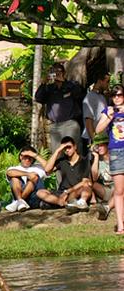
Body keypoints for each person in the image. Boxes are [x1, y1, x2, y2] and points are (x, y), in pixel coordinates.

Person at [32, 136, 93, 211]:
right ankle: (61, 203)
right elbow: (47, 170)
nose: (67, 150)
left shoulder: (84, 161)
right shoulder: (62, 161)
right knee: (40, 192)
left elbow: (84, 182)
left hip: (74, 191)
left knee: (87, 186)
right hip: (61, 192)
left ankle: (72, 203)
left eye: (69, 147)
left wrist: (67, 192)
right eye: (64, 148)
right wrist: (57, 151)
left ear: (75, 147)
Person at [34, 62, 85, 152]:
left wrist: (63, 81)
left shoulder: (71, 85)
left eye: (59, 71)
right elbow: (38, 98)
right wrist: (43, 83)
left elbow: (79, 93)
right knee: (57, 153)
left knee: (73, 151)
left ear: (64, 73)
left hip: (70, 124)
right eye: (54, 71)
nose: (56, 73)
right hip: (55, 126)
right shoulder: (48, 89)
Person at [94, 84, 124, 234]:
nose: (117, 98)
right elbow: (98, 130)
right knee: (119, 190)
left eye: (119, 95)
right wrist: (110, 117)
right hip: (116, 152)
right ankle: (120, 225)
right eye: (114, 95)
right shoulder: (108, 111)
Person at [4, 145, 46, 212]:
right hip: (19, 194)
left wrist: (35, 155)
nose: (27, 159)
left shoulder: (38, 167)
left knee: (34, 176)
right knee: (14, 178)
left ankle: (19, 202)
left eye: (30, 157)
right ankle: (20, 202)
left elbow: (49, 168)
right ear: (21, 157)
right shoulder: (14, 168)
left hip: (34, 198)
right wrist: (27, 174)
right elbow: (9, 173)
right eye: (26, 157)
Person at [82, 69, 109, 152]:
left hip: (103, 139)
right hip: (95, 141)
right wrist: (95, 141)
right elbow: (88, 121)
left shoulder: (101, 97)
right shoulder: (89, 98)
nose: (108, 84)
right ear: (100, 81)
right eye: (107, 81)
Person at [89, 133, 114, 221]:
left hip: (118, 189)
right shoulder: (99, 161)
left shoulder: (116, 158)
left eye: (101, 145)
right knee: (93, 184)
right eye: (97, 146)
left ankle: (107, 207)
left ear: (107, 146)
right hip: (106, 190)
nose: (99, 148)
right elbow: (94, 177)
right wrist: (96, 157)